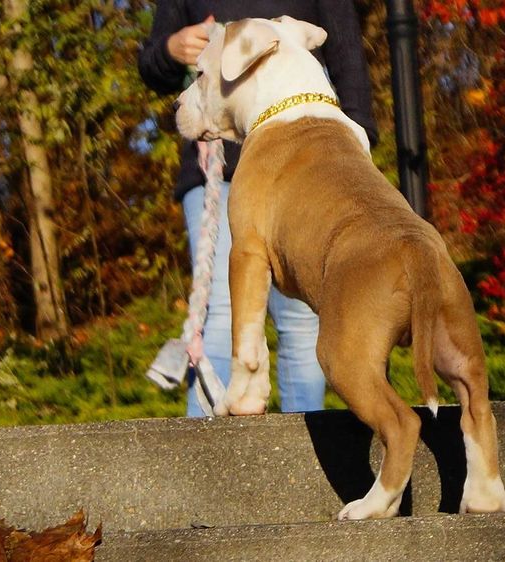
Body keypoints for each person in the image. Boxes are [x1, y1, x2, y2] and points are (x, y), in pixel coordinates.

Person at [138, 1, 378, 416]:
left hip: (303, 166)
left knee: (302, 321)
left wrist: (356, 141)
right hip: (218, 170)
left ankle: (299, 455)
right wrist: (171, 50)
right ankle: (212, 456)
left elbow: (347, 60)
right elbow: (152, 65)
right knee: (220, 316)